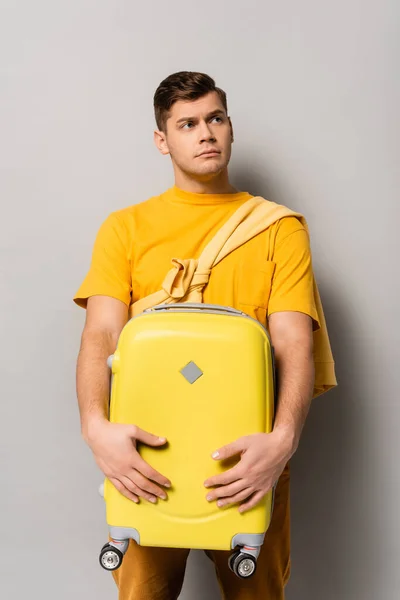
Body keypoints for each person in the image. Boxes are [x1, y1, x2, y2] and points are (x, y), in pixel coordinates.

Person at [73, 71, 336, 599]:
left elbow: (292, 344)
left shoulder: (279, 228)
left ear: (231, 127)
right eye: (187, 123)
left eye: (215, 118)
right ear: (162, 139)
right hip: (147, 462)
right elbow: (101, 335)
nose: (205, 133)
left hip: (249, 460)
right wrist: (96, 429)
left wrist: (281, 443)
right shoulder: (125, 228)